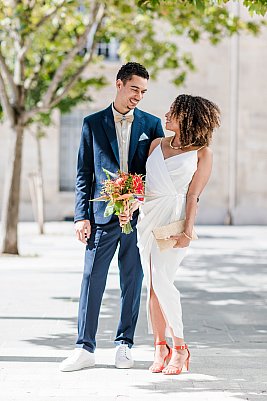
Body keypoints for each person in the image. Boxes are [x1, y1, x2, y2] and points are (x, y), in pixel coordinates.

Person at [59, 62, 164, 372]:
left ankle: (124, 345)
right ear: (119, 84)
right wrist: (81, 216)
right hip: (101, 216)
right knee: (92, 279)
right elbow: (83, 173)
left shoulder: (152, 124)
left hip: (137, 217)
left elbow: (155, 173)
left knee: (133, 279)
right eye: (134, 89)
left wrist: (137, 197)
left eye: (143, 92)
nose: (138, 97)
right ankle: (84, 347)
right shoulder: (92, 123)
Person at [127, 94, 220, 375]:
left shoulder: (202, 152)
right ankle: (160, 346)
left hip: (174, 222)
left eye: (172, 112)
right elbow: (146, 186)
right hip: (147, 220)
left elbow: (193, 195)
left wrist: (187, 231)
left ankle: (180, 347)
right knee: (153, 286)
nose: (166, 116)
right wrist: (130, 200)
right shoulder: (156, 144)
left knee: (161, 280)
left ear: (187, 117)